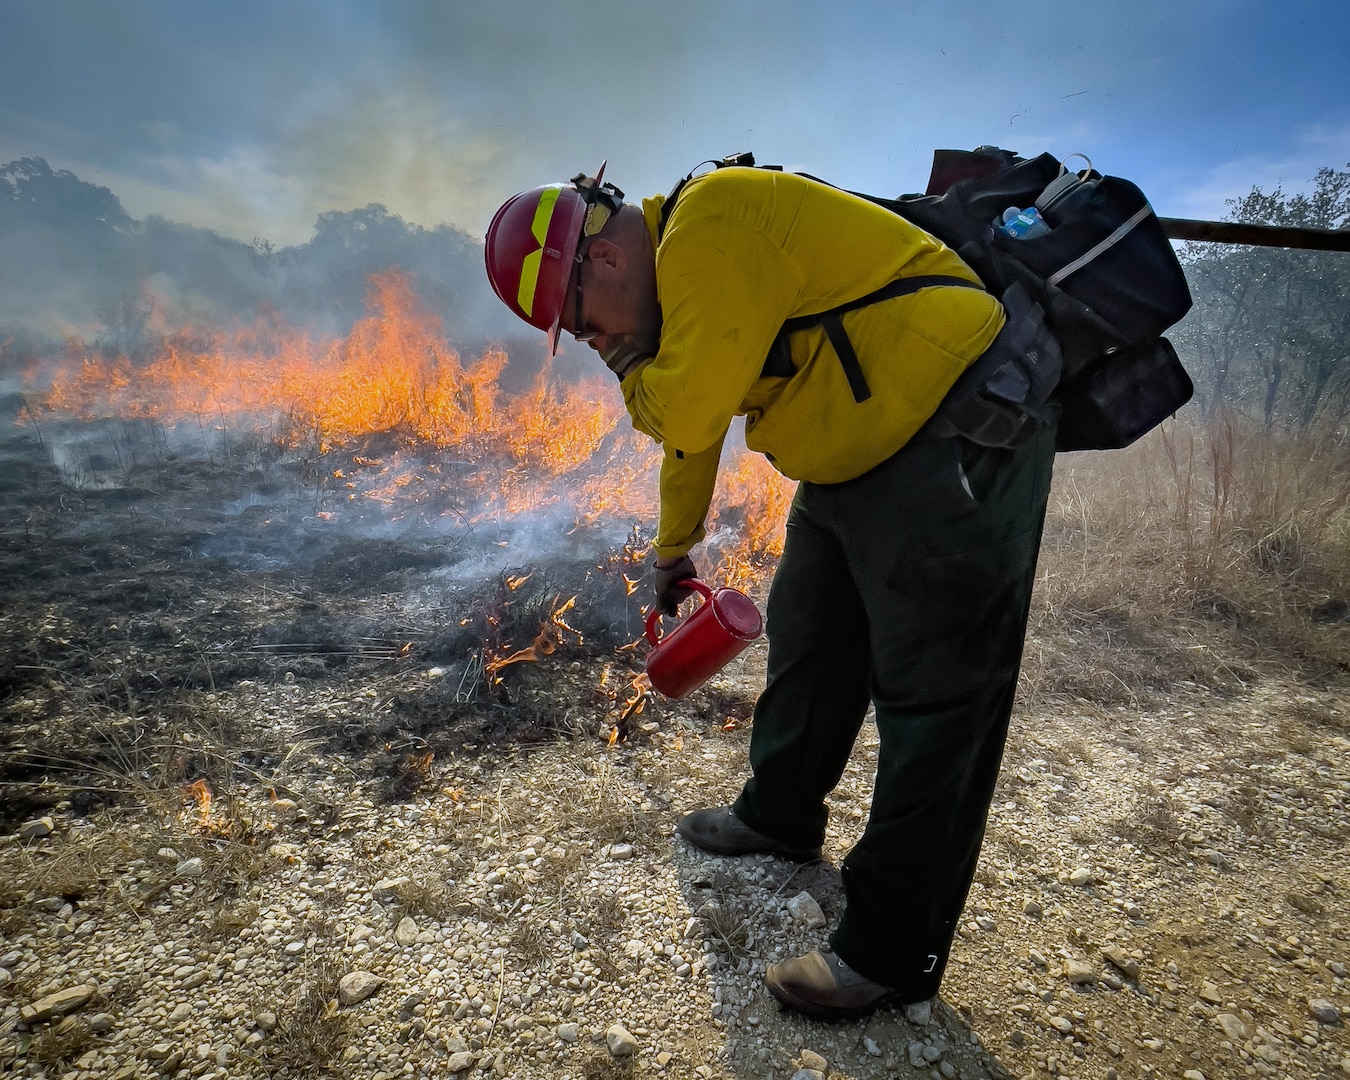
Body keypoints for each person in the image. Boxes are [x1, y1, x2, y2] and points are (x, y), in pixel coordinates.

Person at [483, 158, 1058, 1020]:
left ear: (599, 261)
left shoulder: (711, 225)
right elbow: (692, 430)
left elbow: (687, 407)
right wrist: (672, 552)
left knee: (936, 700)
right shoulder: (682, 276)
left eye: (582, 324)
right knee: (811, 637)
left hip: (955, 431)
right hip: (855, 450)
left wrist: (629, 370)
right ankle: (779, 816)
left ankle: (892, 951)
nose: (598, 344)